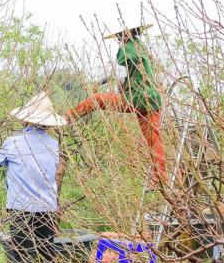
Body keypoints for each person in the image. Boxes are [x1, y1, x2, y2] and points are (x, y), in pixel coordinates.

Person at [0, 93, 67, 263]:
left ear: (26, 119)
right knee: (47, 251)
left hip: (21, 208)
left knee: (22, 253)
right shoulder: (55, 144)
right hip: (47, 208)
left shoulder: (13, 142)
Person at [65, 24, 167, 183]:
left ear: (124, 34)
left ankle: (65, 118)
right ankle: (161, 180)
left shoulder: (124, 49)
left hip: (136, 98)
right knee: (154, 142)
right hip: (153, 100)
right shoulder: (142, 48)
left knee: (95, 99)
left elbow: (121, 78)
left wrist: (120, 93)